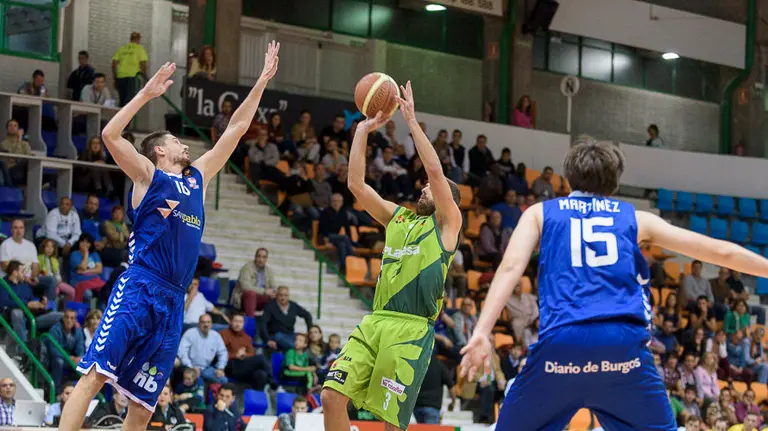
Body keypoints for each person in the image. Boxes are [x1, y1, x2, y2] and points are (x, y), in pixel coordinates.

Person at [459, 137, 768, 431]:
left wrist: (482, 331)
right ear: (615, 182)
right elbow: (720, 252)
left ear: (568, 178)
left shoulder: (540, 213)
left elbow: (510, 267)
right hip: (622, 348)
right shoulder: (637, 219)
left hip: (563, 345)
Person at [58, 42, 280, 431]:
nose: (185, 144)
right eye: (177, 141)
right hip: (140, 288)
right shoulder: (148, 176)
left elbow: (237, 128)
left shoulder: (198, 178)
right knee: (95, 377)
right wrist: (146, 93)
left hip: (173, 301)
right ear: (159, 150)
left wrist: (261, 81)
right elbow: (111, 134)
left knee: (143, 406)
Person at [321, 81, 463, 431]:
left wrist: (411, 121)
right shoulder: (398, 218)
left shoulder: (448, 225)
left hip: (411, 329)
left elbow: (434, 171)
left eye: (430, 188)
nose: (423, 188)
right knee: (331, 396)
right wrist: (362, 131)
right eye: (425, 186)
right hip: (376, 320)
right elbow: (356, 185)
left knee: (389, 420)